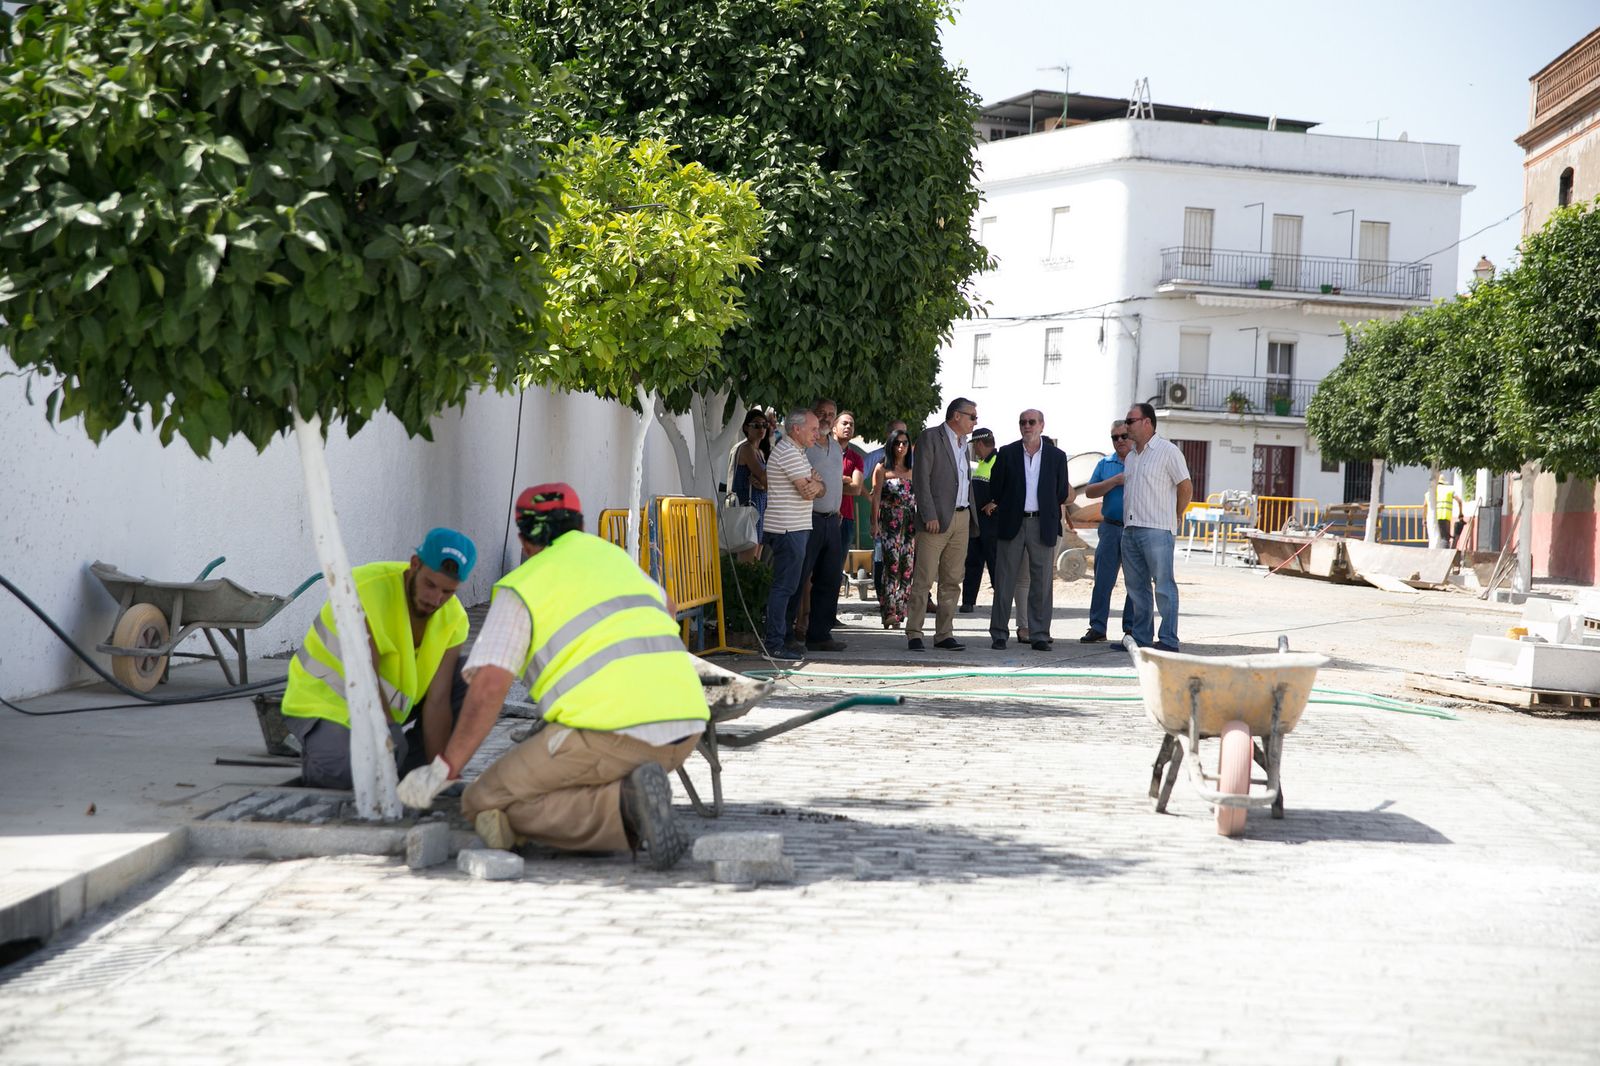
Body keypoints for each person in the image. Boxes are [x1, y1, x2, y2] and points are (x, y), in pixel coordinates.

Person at [396, 484, 709, 871]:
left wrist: (443, 769)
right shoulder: (614, 558)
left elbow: (489, 689)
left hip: (612, 735)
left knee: (483, 802)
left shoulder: (523, 586)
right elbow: (669, 608)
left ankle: (627, 807)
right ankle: (630, 794)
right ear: (578, 525)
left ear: (524, 540)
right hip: (687, 727)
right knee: (556, 772)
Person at [281, 528, 474, 790]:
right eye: (430, 584)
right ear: (414, 564)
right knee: (349, 775)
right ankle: (326, 759)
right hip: (327, 704)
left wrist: (440, 773)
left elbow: (438, 701)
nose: (435, 599)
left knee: (472, 678)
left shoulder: (454, 618)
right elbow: (364, 675)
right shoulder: (361, 589)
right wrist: (390, 729)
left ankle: (404, 771)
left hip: (389, 709)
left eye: (447, 591)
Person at [985, 409, 1068, 651]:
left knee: (1042, 583)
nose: (1027, 426)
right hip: (1012, 522)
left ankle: (1040, 634)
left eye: (1032, 422)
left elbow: (1061, 492)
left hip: (1042, 523)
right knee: (1004, 580)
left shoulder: (1056, 456)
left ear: (1042, 425)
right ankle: (999, 633)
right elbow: (996, 488)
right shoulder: (1007, 453)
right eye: (1023, 422)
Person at [906, 397, 978, 651]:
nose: (975, 421)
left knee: (952, 579)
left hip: (962, 517)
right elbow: (921, 479)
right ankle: (914, 632)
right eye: (972, 416)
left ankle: (944, 634)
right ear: (956, 416)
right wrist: (929, 514)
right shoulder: (930, 437)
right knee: (924, 578)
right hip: (935, 519)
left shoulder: (964, 443)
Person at [1121, 402, 1193, 651]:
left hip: (1157, 529)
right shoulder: (1131, 456)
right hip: (1130, 529)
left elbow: (1185, 486)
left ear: (1147, 422)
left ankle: (1168, 640)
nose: (1126, 425)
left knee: (1163, 585)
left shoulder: (1168, 451)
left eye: (1130, 421)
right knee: (1136, 588)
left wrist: (1175, 515)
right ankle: (1141, 638)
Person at [763, 409, 825, 660]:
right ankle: (774, 643)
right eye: (813, 429)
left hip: (797, 527)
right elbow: (809, 492)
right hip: (787, 528)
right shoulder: (788, 452)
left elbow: (818, 489)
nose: (817, 433)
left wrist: (817, 484)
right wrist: (816, 484)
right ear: (796, 429)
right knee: (784, 587)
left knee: (793, 587)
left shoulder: (798, 453)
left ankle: (784, 638)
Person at [791, 398, 848, 653]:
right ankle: (785, 633)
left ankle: (820, 634)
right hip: (808, 519)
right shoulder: (804, 446)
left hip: (832, 521)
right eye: (821, 413)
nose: (826, 418)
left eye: (830, 414)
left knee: (830, 578)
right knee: (798, 577)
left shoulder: (836, 448)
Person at [1081, 420, 1134, 643]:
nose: (1120, 441)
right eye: (1115, 437)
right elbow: (1090, 491)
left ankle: (1131, 629)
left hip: (1135, 529)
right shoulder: (1105, 463)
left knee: (1135, 582)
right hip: (1111, 527)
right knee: (1103, 580)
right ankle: (1097, 627)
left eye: (1123, 436)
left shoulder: (1141, 461)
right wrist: (1113, 481)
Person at [869, 428, 917, 629]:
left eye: (905, 443)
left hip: (910, 522)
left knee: (907, 567)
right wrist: (874, 522)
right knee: (891, 566)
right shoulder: (882, 468)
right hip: (889, 521)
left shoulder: (913, 469)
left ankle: (900, 612)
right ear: (891, 445)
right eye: (897, 443)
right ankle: (888, 612)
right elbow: (876, 497)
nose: (901, 447)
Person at [731, 409, 771, 562]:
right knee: (748, 552)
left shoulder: (760, 451)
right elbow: (764, 477)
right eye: (756, 425)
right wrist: (764, 483)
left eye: (764, 425)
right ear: (746, 427)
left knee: (757, 552)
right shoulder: (746, 449)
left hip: (759, 504)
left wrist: (762, 485)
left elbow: (763, 481)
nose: (761, 429)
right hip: (748, 505)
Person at [1433, 475, 1458, 545]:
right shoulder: (1449, 490)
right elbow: (1459, 501)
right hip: (1447, 516)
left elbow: (1426, 503)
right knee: (1445, 537)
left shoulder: (1434, 490)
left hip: (1436, 516)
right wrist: (1460, 514)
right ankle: (1445, 550)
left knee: (1439, 536)